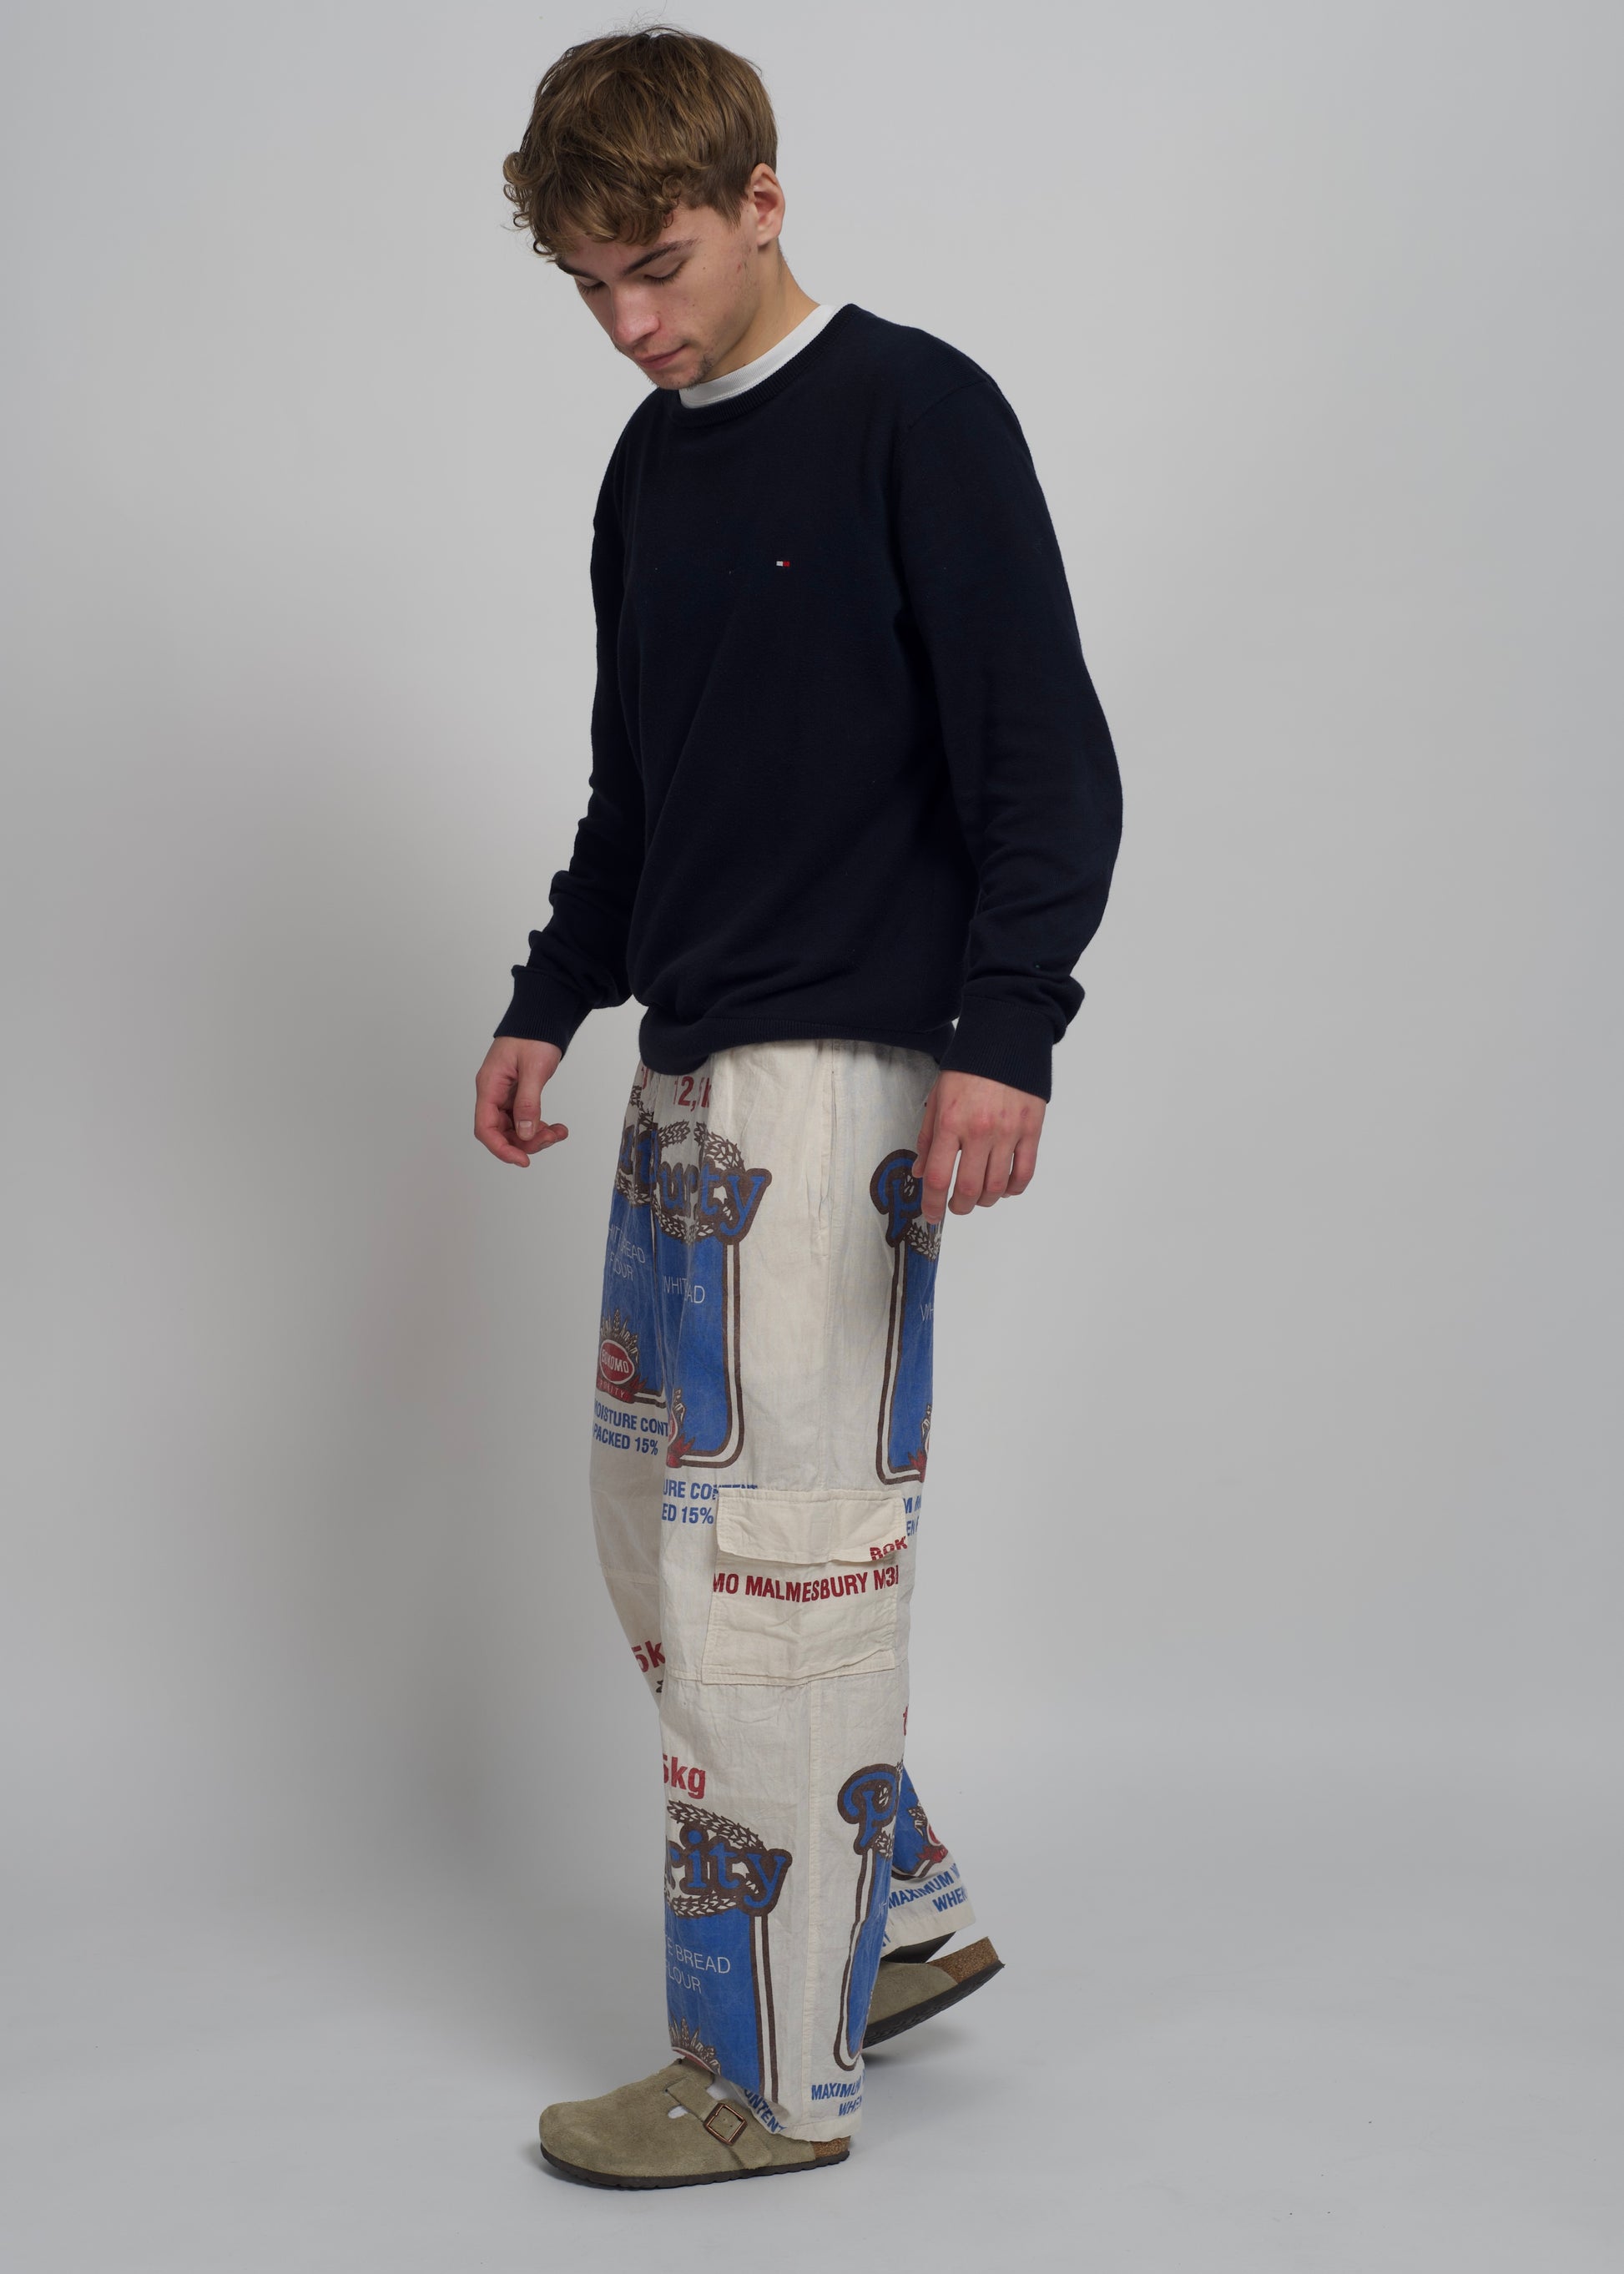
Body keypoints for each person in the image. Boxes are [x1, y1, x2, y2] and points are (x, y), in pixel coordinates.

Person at [474, 25, 1122, 2190]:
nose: (627, 325)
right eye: (587, 287)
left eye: (653, 266)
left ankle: (765, 2078)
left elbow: (1046, 759)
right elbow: (638, 787)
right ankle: (895, 1916)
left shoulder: (915, 415)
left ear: (762, 199)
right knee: (653, 1531)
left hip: (842, 1085)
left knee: (776, 1568)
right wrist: (551, 996)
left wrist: (1005, 1033)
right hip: (684, 1077)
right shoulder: (649, 469)